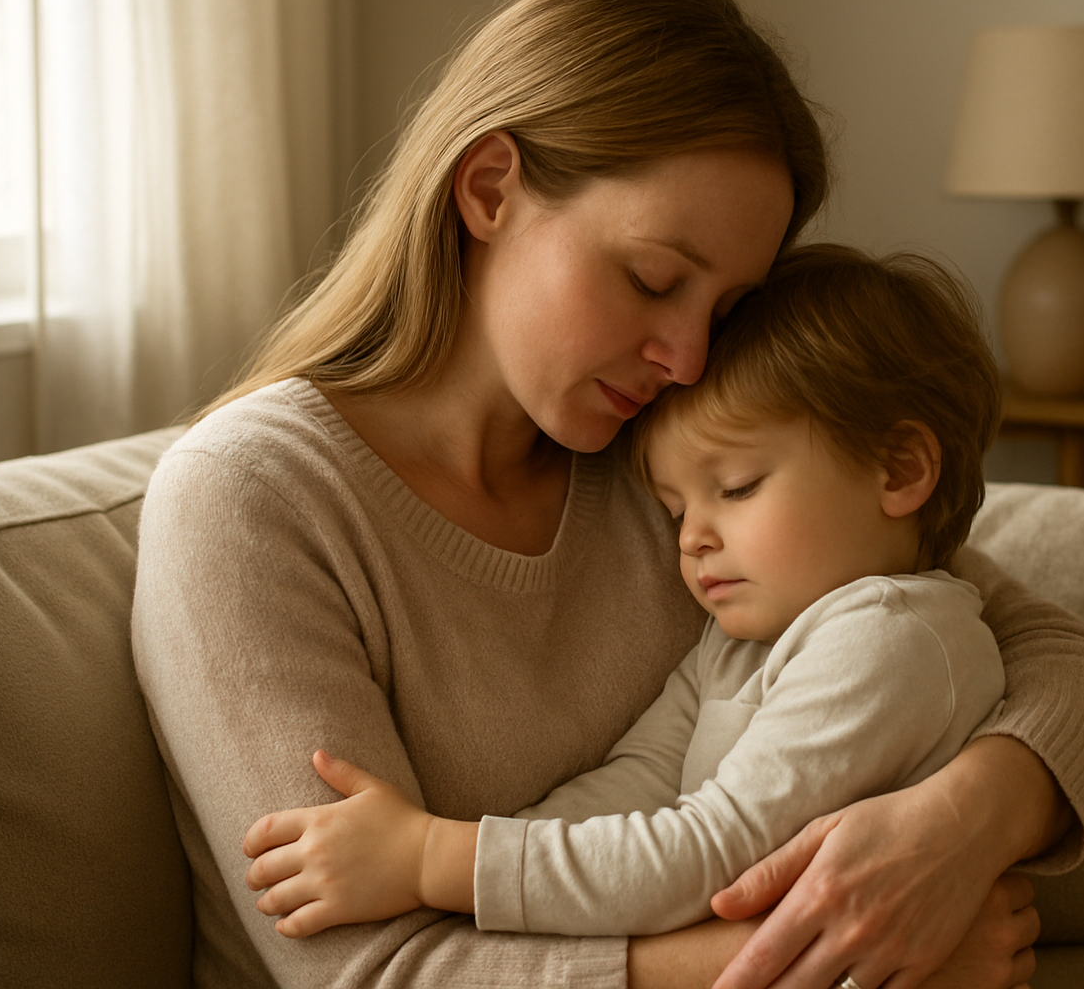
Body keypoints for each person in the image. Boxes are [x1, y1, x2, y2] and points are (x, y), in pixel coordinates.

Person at [130, 0, 1084, 989]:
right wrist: (844, 953)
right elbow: (368, 971)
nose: (691, 357)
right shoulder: (251, 500)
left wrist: (950, 835)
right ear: (489, 189)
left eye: (725, 305)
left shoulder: (666, 448)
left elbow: (1061, 663)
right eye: (654, 280)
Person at [239, 244, 1011, 944]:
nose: (691, 538)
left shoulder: (893, 639)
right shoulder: (744, 639)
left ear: (901, 471)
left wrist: (433, 859)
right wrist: (473, 869)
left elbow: (705, 851)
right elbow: (637, 780)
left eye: (736, 488)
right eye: (676, 510)